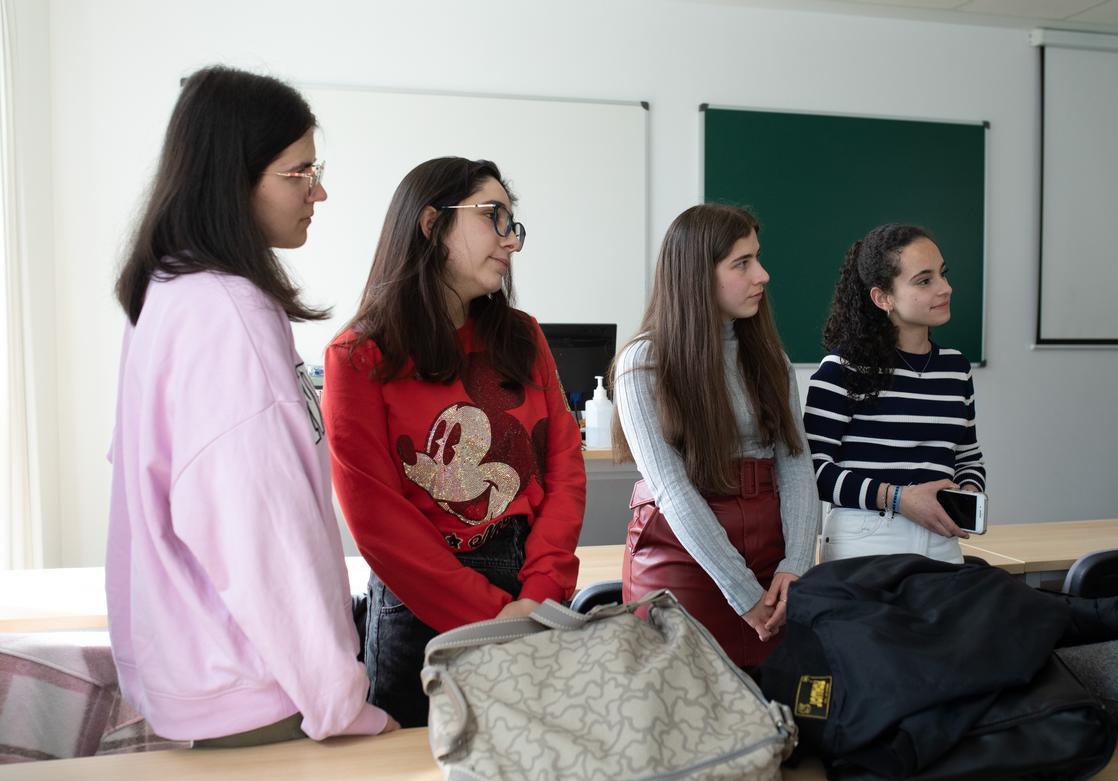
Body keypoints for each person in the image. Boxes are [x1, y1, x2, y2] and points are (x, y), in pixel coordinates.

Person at [107, 66, 395, 746]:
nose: (318, 191)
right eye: (299, 173)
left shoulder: (169, 292)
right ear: (232, 178)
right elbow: (259, 528)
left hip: (199, 678)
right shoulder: (225, 311)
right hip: (258, 692)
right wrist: (339, 702)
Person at [322, 157, 586, 727]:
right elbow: (376, 523)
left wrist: (538, 594)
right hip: (421, 608)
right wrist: (496, 614)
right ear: (431, 224)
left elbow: (565, 471)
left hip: (531, 592)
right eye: (495, 216)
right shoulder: (359, 356)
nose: (511, 240)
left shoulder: (523, 337)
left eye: (513, 223)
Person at [610, 203, 821, 669]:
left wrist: (796, 566)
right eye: (742, 264)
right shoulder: (643, 363)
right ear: (696, 274)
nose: (762, 275)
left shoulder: (769, 357)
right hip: (683, 558)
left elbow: (796, 464)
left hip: (774, 557)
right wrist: (742, 592)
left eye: (758, 258)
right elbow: (672, 489)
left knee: (783, 709)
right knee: (688, 711)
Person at [804, 223, 986, 564]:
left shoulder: (956, 368)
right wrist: (898, 498)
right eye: (924, 280)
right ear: (882, 297)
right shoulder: (841, 369)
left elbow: (968, 457)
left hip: (941, 537)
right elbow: (813, 472)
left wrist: (967, 494)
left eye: (943, 274)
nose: (945, 288)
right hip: (866, 539)